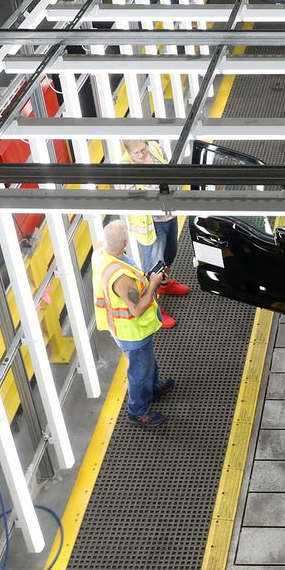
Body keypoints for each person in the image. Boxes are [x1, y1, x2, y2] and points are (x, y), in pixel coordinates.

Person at [93, 220, 173, 427]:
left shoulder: (102, 254)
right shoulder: (120, 278)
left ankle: (153, 386)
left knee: (146, 363)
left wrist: (149, 278)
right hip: (132, 332)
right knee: (139, 371)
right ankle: (137, 411)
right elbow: (136, 309)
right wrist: (154, 284)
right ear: (126, 242)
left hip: (130, 329)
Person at [122, 139, 189, 329]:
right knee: (153, 271)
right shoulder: (125, 170)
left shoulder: (156, 148)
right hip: (151, 227)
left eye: (143, 149)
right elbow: (131, 201)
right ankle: (156, 311)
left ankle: (166, 286)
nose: (142, 155)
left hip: (169, 216)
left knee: (170, 254)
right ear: (129, 153)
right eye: (137, 153)